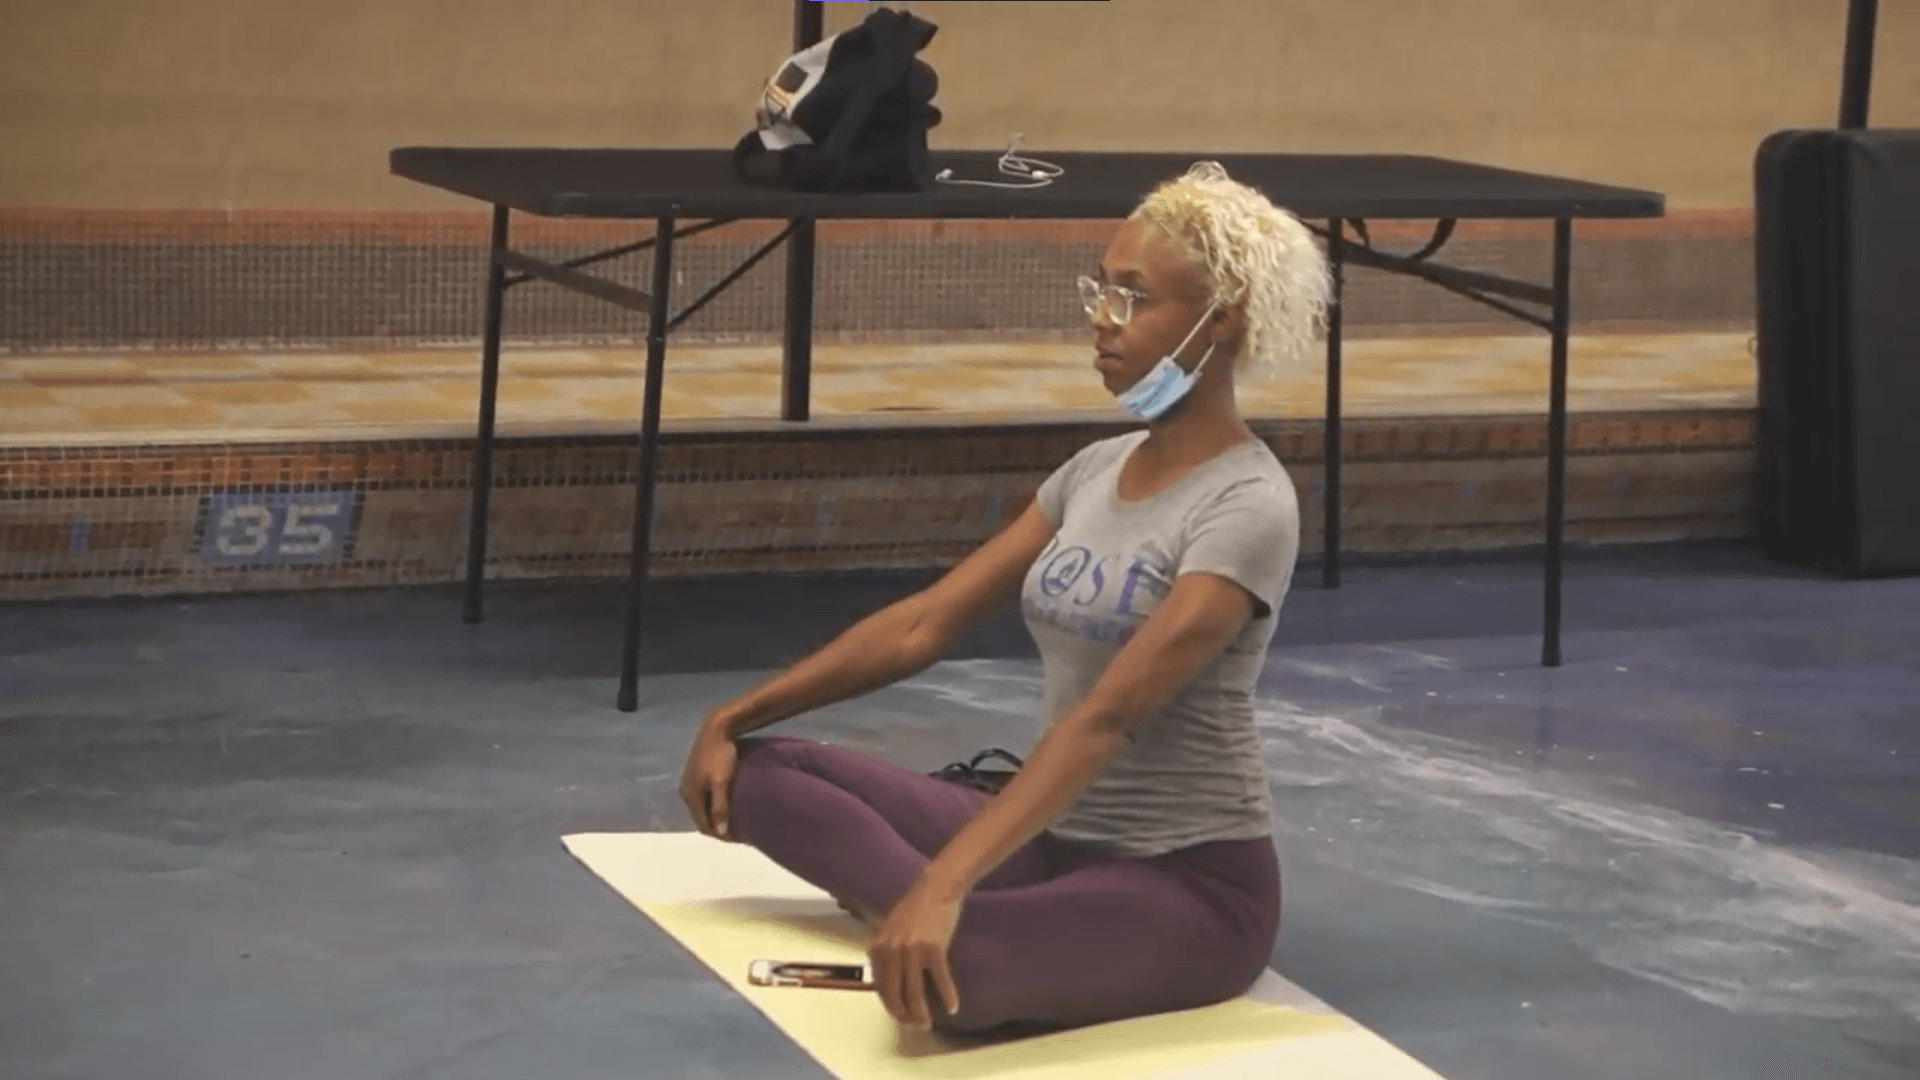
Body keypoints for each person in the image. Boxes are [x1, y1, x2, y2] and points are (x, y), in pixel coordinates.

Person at [679, 161, 1331, 1036]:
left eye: (1135, 299)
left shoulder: (1247, 505)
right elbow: (924, 622)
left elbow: (1108, 716)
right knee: (763, 775)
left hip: (1187, 881)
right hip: (1047, 839)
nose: (1104, 320)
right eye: (1101, 290)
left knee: (959, 977)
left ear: (1221, 320)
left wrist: (947, 881)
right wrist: (733, 713)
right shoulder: (1093, 472)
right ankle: (948, 914)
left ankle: (944, 916)